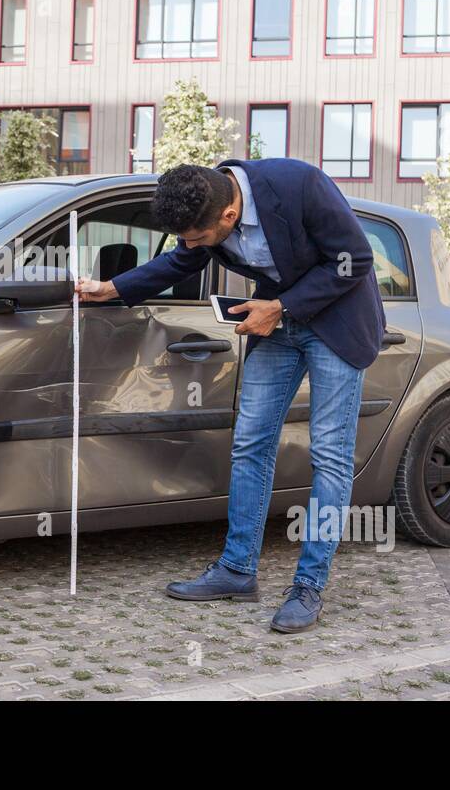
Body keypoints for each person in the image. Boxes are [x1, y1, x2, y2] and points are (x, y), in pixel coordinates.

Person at [76, 160, 385, 632]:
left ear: (228, 215)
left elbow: (355, 260)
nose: (192, 246)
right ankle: (238, 570)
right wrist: (111, 289)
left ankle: (308, 586)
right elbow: (182, 259)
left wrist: (282, 306)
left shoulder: (299, 184)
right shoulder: (207, 204)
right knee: (249, 443)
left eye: (198, 237)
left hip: (337, 323)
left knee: (329, 455)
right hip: (275, 323)